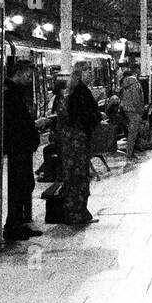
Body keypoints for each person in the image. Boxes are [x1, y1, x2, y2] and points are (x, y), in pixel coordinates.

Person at [2, 60, 43, 241]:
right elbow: (15, 124)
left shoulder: (16, 93)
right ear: (18, 72)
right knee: (19, 187)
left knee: (25, 185)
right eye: (27, 75)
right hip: (17, 148)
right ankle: (12, 227)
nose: (29, 80)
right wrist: (33, 127)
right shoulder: (9, 94)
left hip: (22, 147)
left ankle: (21, 223)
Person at [59, 61, 100, 224]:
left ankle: (72, 210)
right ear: (80, 73)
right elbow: (86, 115)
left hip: (70, 138)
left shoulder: (71, 90)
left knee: (72, 175)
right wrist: (96, 118)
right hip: (79, 138)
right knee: (80, 175)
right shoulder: (82, 92)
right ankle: (77, 212)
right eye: (87, 71)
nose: (90, 73)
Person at [118, 67, 146, 160]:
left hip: (126, 109)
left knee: (131, 132)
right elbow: (136, 99)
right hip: (134, 110)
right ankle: (130, 153)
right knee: (133, 132)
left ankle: (130, 151)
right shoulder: (135, 84)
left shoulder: (125, 83)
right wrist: (140, 109)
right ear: (136, 72)